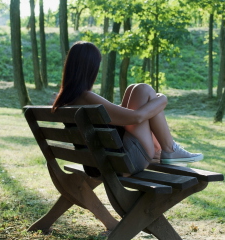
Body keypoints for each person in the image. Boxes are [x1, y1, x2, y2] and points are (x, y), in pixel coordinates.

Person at [52, 41, 203, 173]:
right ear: (91, 68)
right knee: (143, 90)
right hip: (121, 164)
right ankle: (169, 149)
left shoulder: (69, 99)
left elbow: (114, 116)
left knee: (133, 89)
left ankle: (165, 150)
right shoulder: (85, 97)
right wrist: (162, 99)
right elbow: (136, 117)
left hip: (98, 164)